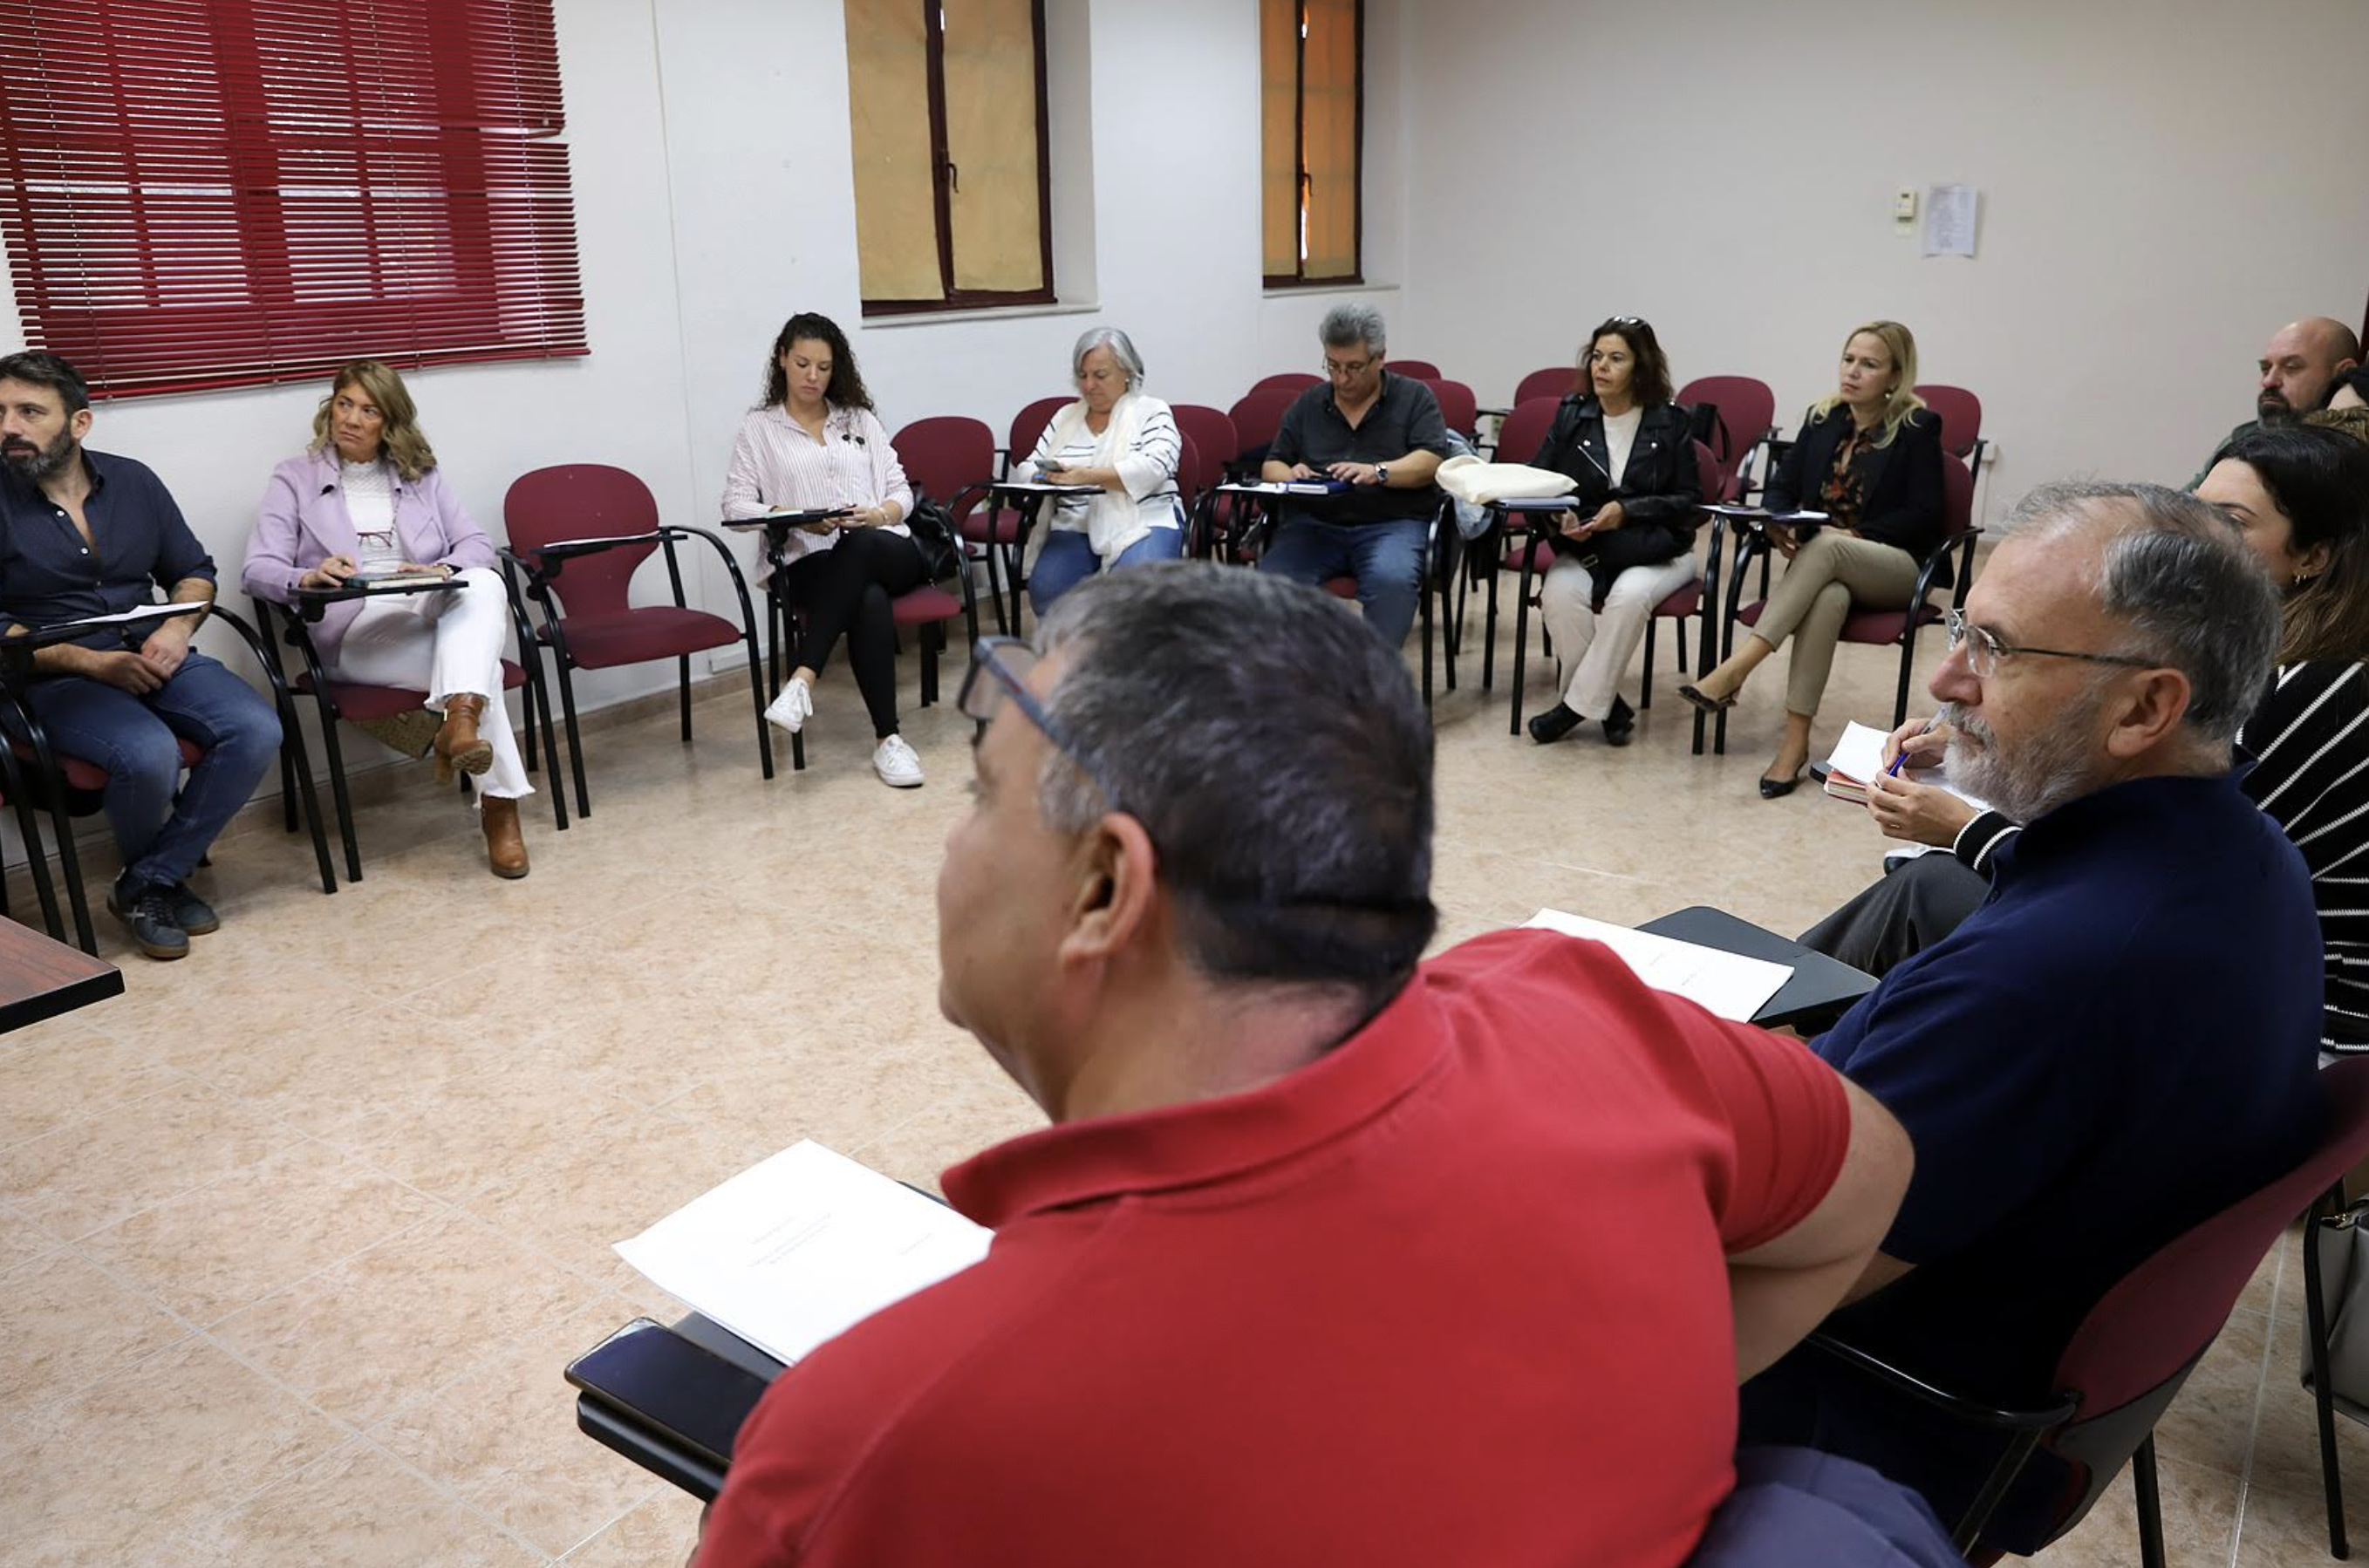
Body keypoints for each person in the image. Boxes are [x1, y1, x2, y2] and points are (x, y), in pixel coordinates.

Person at [693, 563, 1925, 1568]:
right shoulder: (1588, 1012)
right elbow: (1868, 1180)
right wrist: (1613, 1397)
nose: (953, 845)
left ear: (1106, 886)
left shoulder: (879, 1441)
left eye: (978, 795)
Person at [1741, 481, 2326, 1532]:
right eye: (1959, 626)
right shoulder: (2244, 856)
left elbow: (1759, 1287)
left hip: (1870, 1411)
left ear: (2147, 707)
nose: (1948, 675)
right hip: (2014, 1341)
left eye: (1996, 649)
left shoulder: (2049, 981)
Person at [1804, 424, 2369, 1051]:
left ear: (2315, 556)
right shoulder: (2280, 665)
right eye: (2194, 510)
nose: (2196, 540)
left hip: (2293, 1019)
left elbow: (2149, 874)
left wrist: (1963, 827)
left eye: (2230, 522)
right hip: (2230, 965)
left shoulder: (2312, 690)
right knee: (1927, 891)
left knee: (1931, 902)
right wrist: (1983, 737)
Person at [0, 352, 282, 960]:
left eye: (29, 411)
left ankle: (145, 881)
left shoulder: (134, 482)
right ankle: (158, 885)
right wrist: (89, 663)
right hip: (48, 674)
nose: (9, 427)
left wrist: (179, 629)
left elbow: (193, 572)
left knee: (256, 727)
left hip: (152, 651)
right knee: (148, 753)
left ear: (79, 423)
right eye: (0, 412)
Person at [243, 359, 532, 879]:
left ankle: (460, 725)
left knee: (485, 580)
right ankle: (497, 805)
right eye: (344, 403)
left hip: (421, 608)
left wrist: (441, 567)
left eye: (368, 409)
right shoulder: (295, 478)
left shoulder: (421, 474)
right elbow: (258, 569)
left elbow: (477, 544)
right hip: (355, 628)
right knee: (481, 671)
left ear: (390, 421)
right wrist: (310, 575)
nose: (351, 418)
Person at [1677, 322, 1946, 797]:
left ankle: (1738, 667)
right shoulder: (1823, 419)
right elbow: (1782, 483)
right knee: (1828, 596)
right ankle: (1795, 744)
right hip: (1831, 568)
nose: (1854, 372)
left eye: (1869, 364)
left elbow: (1925, 515)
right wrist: (1779, 522)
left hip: (1896, 566)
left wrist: (1853, 534)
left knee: (1826, 546)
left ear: (1895, 375)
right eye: (1849, 360)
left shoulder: (1917, 428)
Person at [721, 312, 925, 788]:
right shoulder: (759, 429)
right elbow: (734, 507)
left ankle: (802, 680)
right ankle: (888, 742)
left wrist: (878, 515)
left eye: (824, 367)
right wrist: (797, 515)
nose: (813, 377)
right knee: (867, 598)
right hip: (807, 559)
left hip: (887, 546)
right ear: (782, 360)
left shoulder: (859, 418)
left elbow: (901, 491)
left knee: (862, 546)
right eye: (802, 364)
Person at [1526, 316, 1704, 747]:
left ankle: (1572, 709)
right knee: (1559, 595)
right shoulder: (1573, 415)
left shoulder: (1671, 421)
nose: (1601, 367)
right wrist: (1560, 519)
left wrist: (1627, 510)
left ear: (1640, 369)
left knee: (1628, 597)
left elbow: (1689, 503)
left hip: (1660, 550)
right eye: (1597, 357)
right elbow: (1538, 483)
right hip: (1590, 548)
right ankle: (1609, 706)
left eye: (1616, 359)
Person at [1256, 304, 1451, 648]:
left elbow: (1431, 462)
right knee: (1270, 585)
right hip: (1315, 525)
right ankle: (1291, 679)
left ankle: (1372, 680)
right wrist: (1291, 474)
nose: (1341, 378)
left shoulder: (1414, 398)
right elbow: (1272, 465)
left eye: (1354, 367)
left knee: (1391, 580)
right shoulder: (1309, 404)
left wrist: (1379, 472)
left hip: (1393, 522)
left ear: (1380, 358)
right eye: (1333, 366)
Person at [1013, 327, 1183, 614]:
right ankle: (1082, 656)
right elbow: (1029, 465)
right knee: (1048, 591)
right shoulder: (1065, 416)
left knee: (1136, 591)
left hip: (1143, 519)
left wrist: (1087, 475)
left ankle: (1137, 656)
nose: (1089, 385)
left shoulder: (1152, 411)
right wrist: (1049, 476)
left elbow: (1156, 466)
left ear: (1128, 372)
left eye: (1100, 375)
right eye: (1082, 376)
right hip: (1076, 521)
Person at [2187, 316, 2362, 486]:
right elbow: (2181, 508)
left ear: (2342, 373)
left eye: (2291, 367)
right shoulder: (2243, 439)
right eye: (2266, 368)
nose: (2268, 381)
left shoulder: (2353, 459)